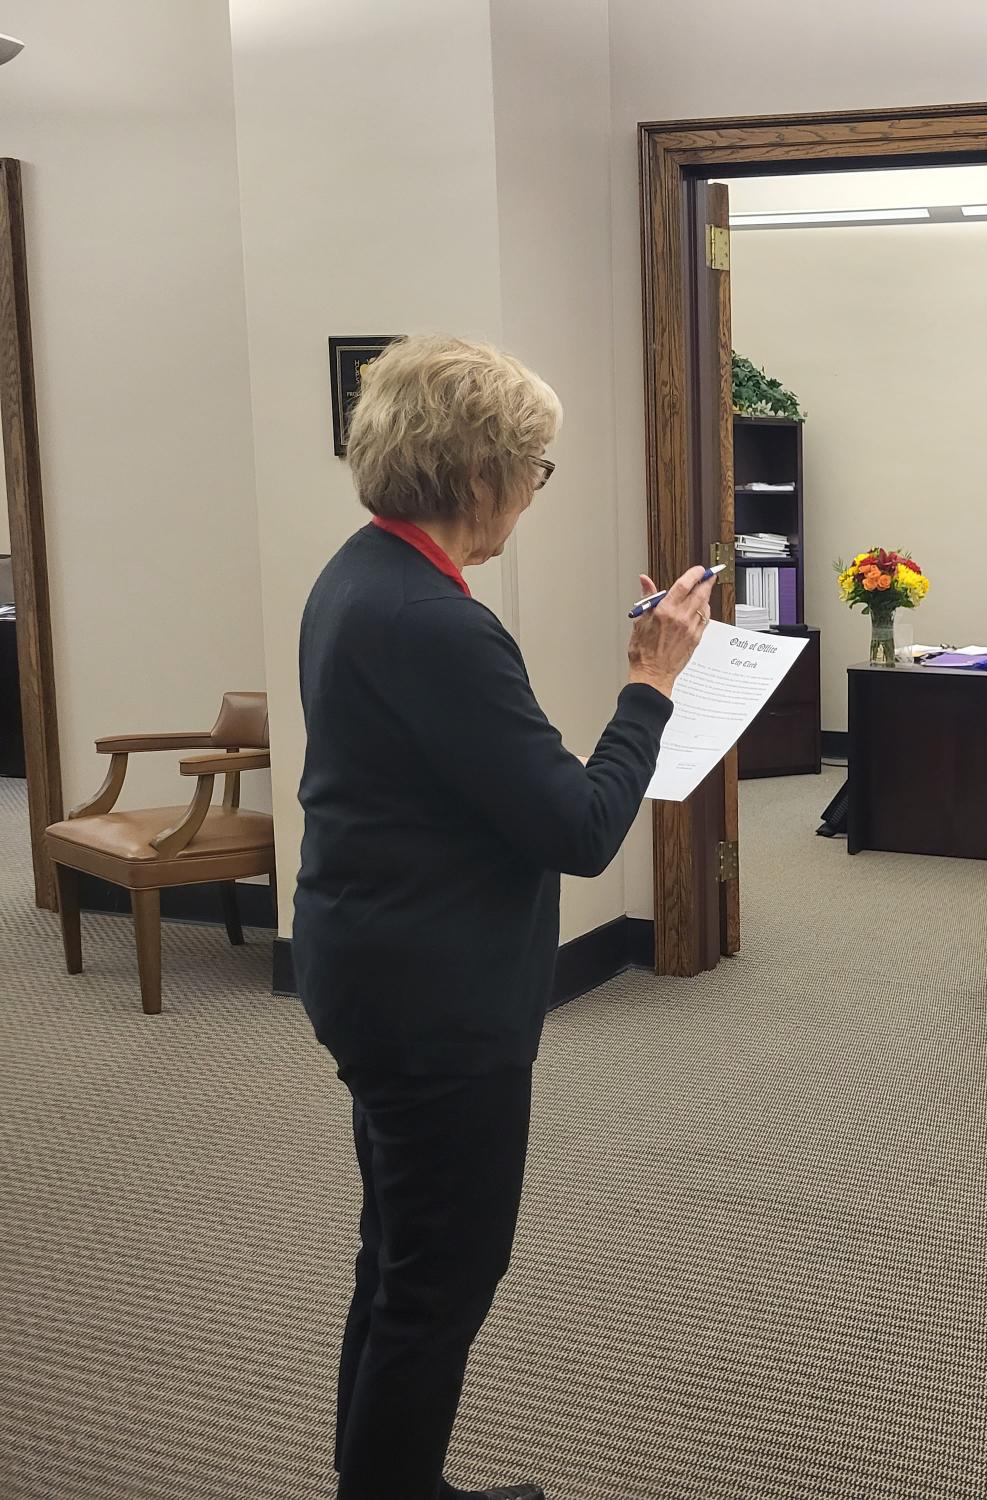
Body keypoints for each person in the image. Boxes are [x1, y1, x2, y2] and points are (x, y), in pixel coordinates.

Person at [294, 334, 715, 1497]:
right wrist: (651, 683)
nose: (535, 492)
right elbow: (577, 830)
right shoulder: (435, 624)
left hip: (372, 965)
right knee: (439, 1284)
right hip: (432, 1006)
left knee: (398, 1263)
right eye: (534, 467)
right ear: (478, 472)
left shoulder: (360, 574)